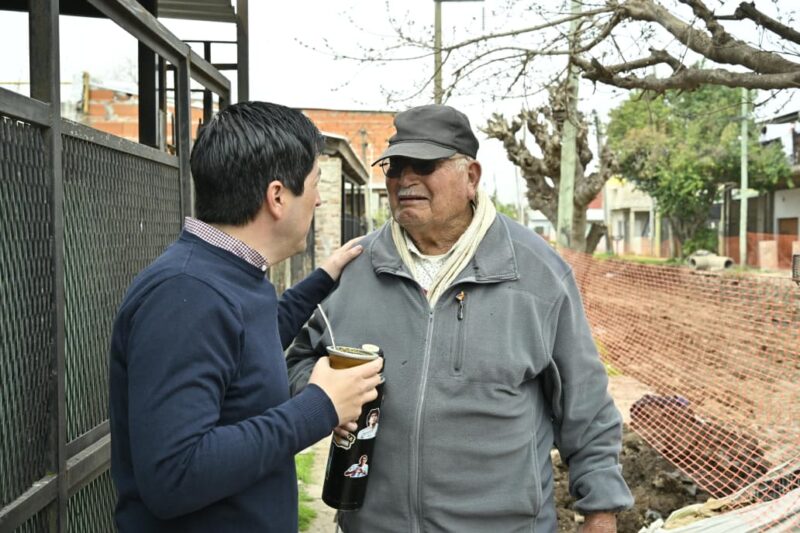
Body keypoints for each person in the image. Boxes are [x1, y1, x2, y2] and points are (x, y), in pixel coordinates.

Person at [286, 104, 633, 532]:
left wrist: (600, 513)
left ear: (471, 177)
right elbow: (295, 361)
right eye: (396, 166)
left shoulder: (537, 273)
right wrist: (324, 396)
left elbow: (587, 405)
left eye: (425, 164)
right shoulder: (353, 270)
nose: (405, 179)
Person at [108, 101, 383, 533]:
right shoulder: (186, 294)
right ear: (277, 197)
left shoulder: (230, 274)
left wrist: (323, 278)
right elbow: (174, 475)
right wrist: (320, 407)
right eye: (313, 184)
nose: (319, 198)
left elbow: (244, 350)